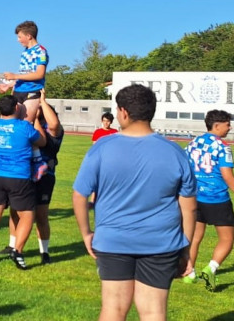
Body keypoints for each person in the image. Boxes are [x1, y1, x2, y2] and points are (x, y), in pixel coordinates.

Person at [72, 84, 197, 321]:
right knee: (153, 311)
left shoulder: (102, 148)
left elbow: (79, 195)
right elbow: (189, 206)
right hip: (161, 242)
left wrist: (86, 233)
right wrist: (186, 248)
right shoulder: (175, 152)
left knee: (113, 309)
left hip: (113, 240)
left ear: (123, 112)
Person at [183, 109, 234, 291]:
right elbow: (227, 175)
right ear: (217, 125)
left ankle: (189, 273)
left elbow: (184, 166)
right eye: (227, 124)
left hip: (195, 197)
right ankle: (211, 268)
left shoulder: (193, 143)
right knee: (227, 239)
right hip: (217, 198)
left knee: (195, 237)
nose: (230, 127)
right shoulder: (222, 147)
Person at [0, 95, 46, 269]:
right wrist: (35, 119)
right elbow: (42, 141)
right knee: (27, 216)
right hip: (18, 176)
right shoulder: (24, 127)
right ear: (16, 109)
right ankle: (17, 251)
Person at [2, 89, 64, 265]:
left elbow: (53, 125)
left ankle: (44, 252)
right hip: (23, 175)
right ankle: (13, 246)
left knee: (41, 215)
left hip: (45, 177)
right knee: (15, 212)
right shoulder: (25, 126)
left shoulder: (54, 130)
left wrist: (42, 103)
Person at [0, 21, 48, 124]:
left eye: (20, 37)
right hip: (18, 91)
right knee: (7, 123)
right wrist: (9, 85)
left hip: (31, 92)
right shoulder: (25, 52)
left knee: (24, 126)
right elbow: (24, 74)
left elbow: (39, 74)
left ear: (28, 36)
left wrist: (14, 75)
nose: (18, 40)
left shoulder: (41, 51)